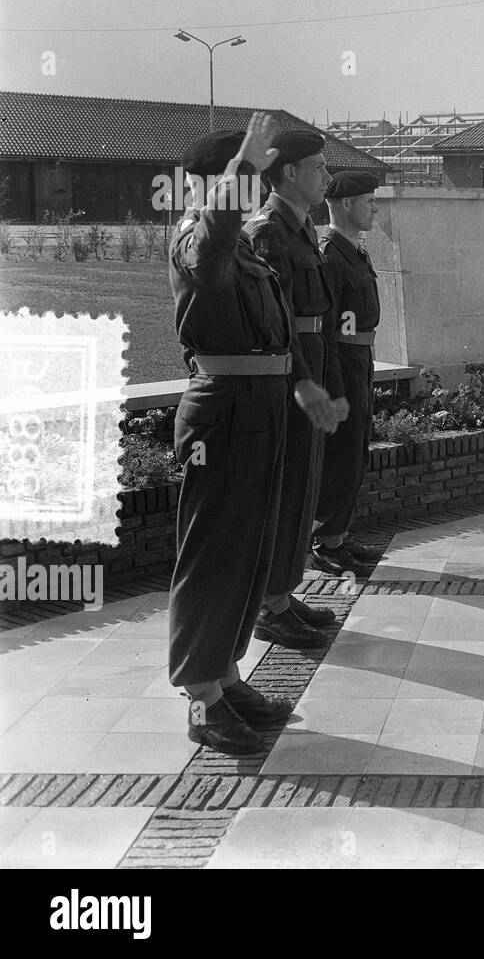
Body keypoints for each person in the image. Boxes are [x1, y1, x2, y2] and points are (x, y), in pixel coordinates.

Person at [168, 116, 340, 755]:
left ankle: (226, 674)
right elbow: (212, 242)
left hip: (261, 409)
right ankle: (202, 697)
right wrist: (244, 167)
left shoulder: (243, 249)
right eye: (237, 183)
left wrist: (303, 386)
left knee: (248, 551)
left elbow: (279, 334)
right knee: (214, 556)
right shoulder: (196, 237)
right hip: (225, 413)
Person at [244, 130, 348, 648]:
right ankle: (269, 604)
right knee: (286, 493)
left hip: (313, 368)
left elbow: (319, 317)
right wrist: (306, 384)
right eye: (319, 169)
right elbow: (280, 321)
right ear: (289, 173)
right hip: (290, 381)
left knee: (304, 488)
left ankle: (283, 594)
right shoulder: (269, 232)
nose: (327, 178)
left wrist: (329, 381)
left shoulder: (301, 229)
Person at [313, 171, 385, 574]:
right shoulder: (330, 255)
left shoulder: (355, 250)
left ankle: (338, 536)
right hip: (342, 361)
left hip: (360, 359)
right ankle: (324, 542)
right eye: (368, 201)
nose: (374, 208)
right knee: (340, 453)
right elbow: (326, 328)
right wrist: (335, 385)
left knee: (355, 450)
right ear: (344, 205)